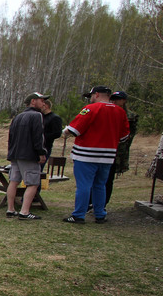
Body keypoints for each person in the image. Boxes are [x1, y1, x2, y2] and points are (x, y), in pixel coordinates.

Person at [61, 86, 130, 224]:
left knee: (84, 185)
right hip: (108, 155)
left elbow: (74, 129)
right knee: (100, 185)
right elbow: (124, 136)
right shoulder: (120, 112)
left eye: (91, 96)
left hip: (86, 154)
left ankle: (79, 215)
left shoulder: (91, 108)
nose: (90, 98)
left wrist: (65, 132)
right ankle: (100, 214)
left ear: (97, 94)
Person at [6, 92, 48, 220]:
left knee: (14, 181)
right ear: (33, 102)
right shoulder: (36, 116)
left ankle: (11, 209)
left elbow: (10, 137)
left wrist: (11, 152)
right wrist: (41, 152)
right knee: (33, 183)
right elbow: (38, 137)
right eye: (41, 100)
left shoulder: (18, 117)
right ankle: (24, 212)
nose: (43, 103)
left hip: (15, 154)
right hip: (28, 155)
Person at [104, 90, 138, 206]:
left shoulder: (131, 116)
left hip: (118, 151)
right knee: (99, 178)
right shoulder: (107, 112)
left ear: (123, 101)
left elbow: (130, 135)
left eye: (117, 99)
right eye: (112, 98)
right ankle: (92, 201)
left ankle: (103, 202)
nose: (114, 101)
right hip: (104, 149)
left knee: (109, 179)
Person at [40, 97, 63, 162]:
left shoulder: (54, 118)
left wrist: (43, 136)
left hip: (46, 146)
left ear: (46, 106)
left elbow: (57, 133)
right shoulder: (40, 116)